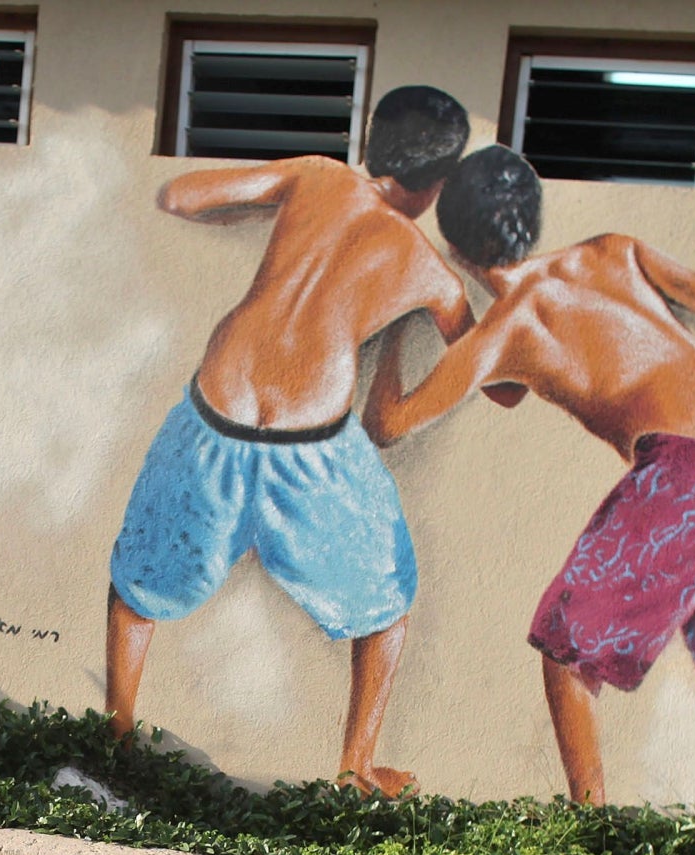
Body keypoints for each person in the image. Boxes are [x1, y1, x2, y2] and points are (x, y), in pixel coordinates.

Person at [364, 147, 695, 841]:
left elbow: (393, 423)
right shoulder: (612, 253)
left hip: (689, 468)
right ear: (532, 218)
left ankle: (592, 833)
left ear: (457, 249)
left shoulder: (511, 328)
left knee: (567, 650)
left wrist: (400, 332)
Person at [106, 85, 501, 797]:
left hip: (216, 412)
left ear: (372, 145)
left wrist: (272, 207)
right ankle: (356, 765)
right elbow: (497, 382)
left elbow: (180, 196)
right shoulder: (429, 272)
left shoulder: (315, 175)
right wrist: (482, 281)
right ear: (437, 185)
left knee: (139, 580)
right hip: (309, 449)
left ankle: (117, 730)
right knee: (387, 605)